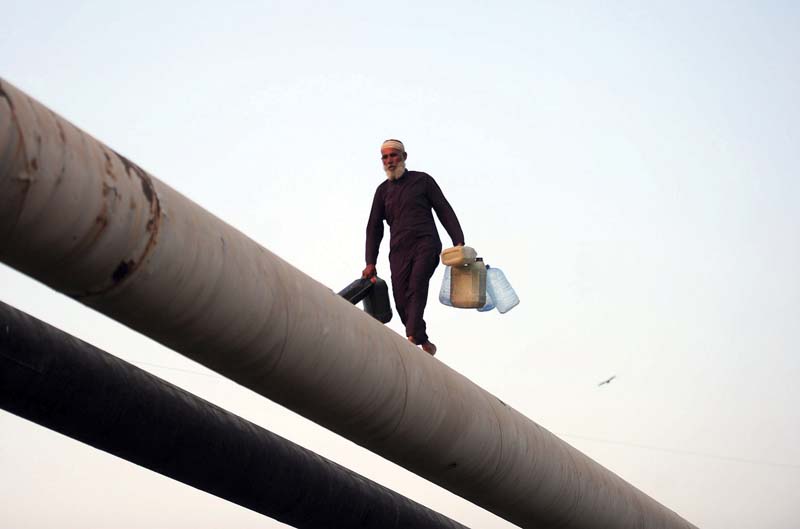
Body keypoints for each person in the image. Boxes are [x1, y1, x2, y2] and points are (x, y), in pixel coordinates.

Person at [362, 139, 465, 356]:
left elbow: (443, 209)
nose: (390, 161)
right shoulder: (382, 192)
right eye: (385, 157)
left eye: (394, 156)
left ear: (404, 157)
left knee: (417, 285)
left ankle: (410, 338)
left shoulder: (422, 181)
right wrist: (370, 261)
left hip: (425, 243)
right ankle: (423, 340)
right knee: (401, 299)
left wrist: (458, 240)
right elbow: (373, 228)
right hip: (399, 250)